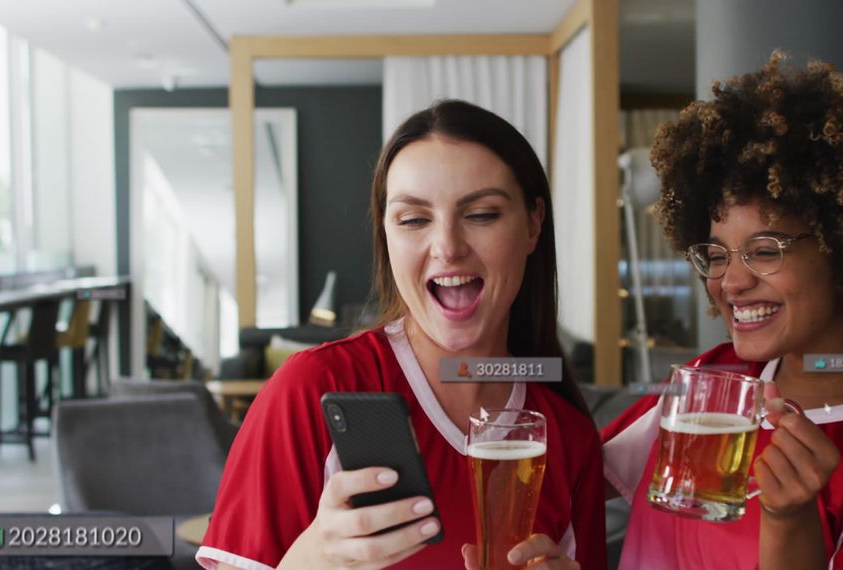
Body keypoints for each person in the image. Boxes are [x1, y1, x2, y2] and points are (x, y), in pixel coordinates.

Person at [602, 53, 843, 569]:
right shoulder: (714, 380)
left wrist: (790, 522)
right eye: (716, 254)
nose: (730, 282)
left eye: (765, 250)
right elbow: (559, 472)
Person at [196, 100, 606, 570]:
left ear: (533, 224)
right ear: (386, 234)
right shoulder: (313, 389)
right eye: (414, 220)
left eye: (482, 214)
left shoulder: (568, 440)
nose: (448, 247)